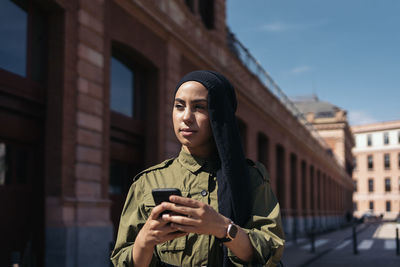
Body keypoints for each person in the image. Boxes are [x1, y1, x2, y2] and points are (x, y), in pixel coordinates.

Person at [111, 70, 285, 266]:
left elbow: (271, 251)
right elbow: (121, 260)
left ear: (219, 115)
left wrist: (223, 228)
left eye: (199, 107)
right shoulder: (148, 181)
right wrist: (144, 241)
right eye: (179, 106)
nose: (186, 117)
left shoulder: (250, 177)